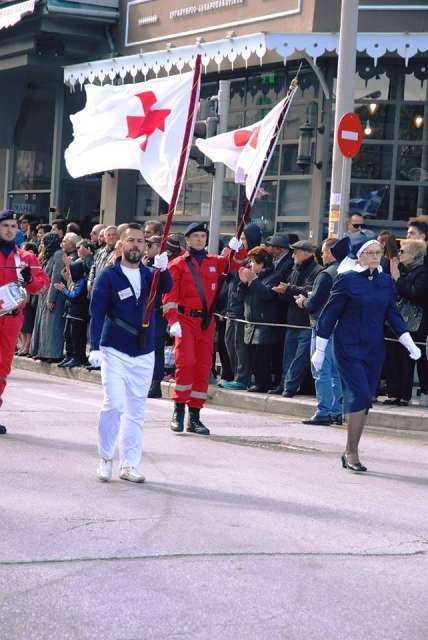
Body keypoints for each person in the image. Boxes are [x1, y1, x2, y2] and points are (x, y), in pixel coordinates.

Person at [312, 238, 421, 473]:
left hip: (374, 349)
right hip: (347, 347)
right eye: (369, 252)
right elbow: (329, 315)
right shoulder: (346, 280)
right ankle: (352, 452)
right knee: (358, 394)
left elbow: (392, 314)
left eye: (377, 252)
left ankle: (350, 449)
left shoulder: (385, 282)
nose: (374, 256)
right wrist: (320, 350)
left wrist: (408, 341)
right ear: (359, 256)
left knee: (365, 399)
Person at [88, 223, 171, 482]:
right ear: (121, 245)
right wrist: (94, 346)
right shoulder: (109, 276)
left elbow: (166, 288)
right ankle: (105, 458)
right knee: (113, 405)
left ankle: (129, 465)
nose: (136, 245)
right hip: (114, 349)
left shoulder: (150, 275)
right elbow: (97, 312)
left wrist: (163, 268)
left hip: (144, 351)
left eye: (140, 241)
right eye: (131, 241)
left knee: (136, 411)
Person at [162, 222, 243, 435]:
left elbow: (234, 264)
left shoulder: (214, 262)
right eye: (196, 236)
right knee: (186, 362)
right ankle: (178, 411)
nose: (200, 239)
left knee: (203, 366)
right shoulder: (178, 264)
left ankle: (195, 416)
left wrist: (238, 247)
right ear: (187, 240)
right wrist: (172, 320)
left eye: (202, 236)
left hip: (206, 323)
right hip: (185, 320)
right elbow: (169, 296)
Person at [0, 210, 49, 434]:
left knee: (2, 369)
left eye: (13, 226)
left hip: (11, 320)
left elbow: (41, 285)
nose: (9, 229)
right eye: (5, 225)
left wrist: (30, 278)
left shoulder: (26, 257)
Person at [294, 237, 346, 425]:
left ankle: (323, 411)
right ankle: (336, 411)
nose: (321, 255)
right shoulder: (347, 272)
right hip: (341, 327)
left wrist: (302, 301)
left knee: (321, 370)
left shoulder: (326, 275)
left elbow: (314, 303)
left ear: (331, 252)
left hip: (323, 327)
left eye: (323, 251)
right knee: (336, 372)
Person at [271, 240, 322, 397]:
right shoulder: (295, 270)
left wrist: (288, 289)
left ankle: (289, 387)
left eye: (296, 252)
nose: (293, 255)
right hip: (292, 320)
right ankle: (284, 384)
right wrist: (283, 291)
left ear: (307, 253)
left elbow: (309, 291)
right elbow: (292, 292)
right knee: (288, 356)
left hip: (306, 323)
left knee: (300, 358)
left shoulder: (318, 271)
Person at [386, 239, 428, 406]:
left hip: (414, 324)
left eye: (403, 251)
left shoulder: (423, 273)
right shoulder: (407, 270)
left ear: (415, 255)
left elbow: (415, 293)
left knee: (405, 359)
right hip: (399, 321)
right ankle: (393, 393)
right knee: (393, 356)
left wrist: (397, 278)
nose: (399, 254)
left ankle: (403, 395)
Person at [237, 246, 283, 392]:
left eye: (253, 262)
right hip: (251, 321)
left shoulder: (274, 276)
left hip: (264, 322)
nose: (251, 265)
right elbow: (240, 297)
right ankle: (257, 381)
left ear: (262, 263)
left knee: (262, 357)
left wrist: (254, 280)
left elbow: (267, 295)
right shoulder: (253, 277)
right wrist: (243, 283)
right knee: (251, 354)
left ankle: (263, 383)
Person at [222, 223, 261, 391]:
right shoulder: (240, 258)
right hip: (231, 309)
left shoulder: (253, 259)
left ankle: (242, 378)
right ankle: (237, 375)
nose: (242, 242)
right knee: (230, 343)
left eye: (244, 238)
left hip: (241, 311)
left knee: (239, 346)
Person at [29, 232, 67, 362]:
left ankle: (52, 353)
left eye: (44, 242)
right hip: (43, 293)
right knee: (42, 323)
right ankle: (42, 351)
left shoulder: (58, 255)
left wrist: (51, 298)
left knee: (52, 325)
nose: (42, 245)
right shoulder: (49, 255)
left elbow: (56, 277)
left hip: (53, 294)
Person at [143, 235, 167, 398]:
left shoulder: (163, 264)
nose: (147, 248)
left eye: (150, 245)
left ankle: (155, 382)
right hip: (144, 311)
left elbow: (164, 284)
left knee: (155, 348)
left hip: (157, 311)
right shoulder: (146, 263)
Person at [54, 260, 90, 368]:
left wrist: (64, 290)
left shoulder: (82, 281)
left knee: (76, 338)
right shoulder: (76, 281)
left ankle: (77, 357)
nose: (70, 273)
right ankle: (69, 356)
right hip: (70, 313)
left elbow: (74, 296)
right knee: (67, 335)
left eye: (71, 270)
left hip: (78, 315)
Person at [16, 242, 40, 357]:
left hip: (31, 295)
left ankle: (27, 345)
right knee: (23, 322)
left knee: (28, 321)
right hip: (22, 294)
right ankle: (23, 344)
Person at [87, 225, 118, 295]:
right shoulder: (100, 252)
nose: (111, 237)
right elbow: (93, 267)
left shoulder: (119, 253)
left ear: (118, 236)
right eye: (108, 235)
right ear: (105, 237)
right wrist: (90, 281)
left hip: (109, 291)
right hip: (96, 289)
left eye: (113, 234)